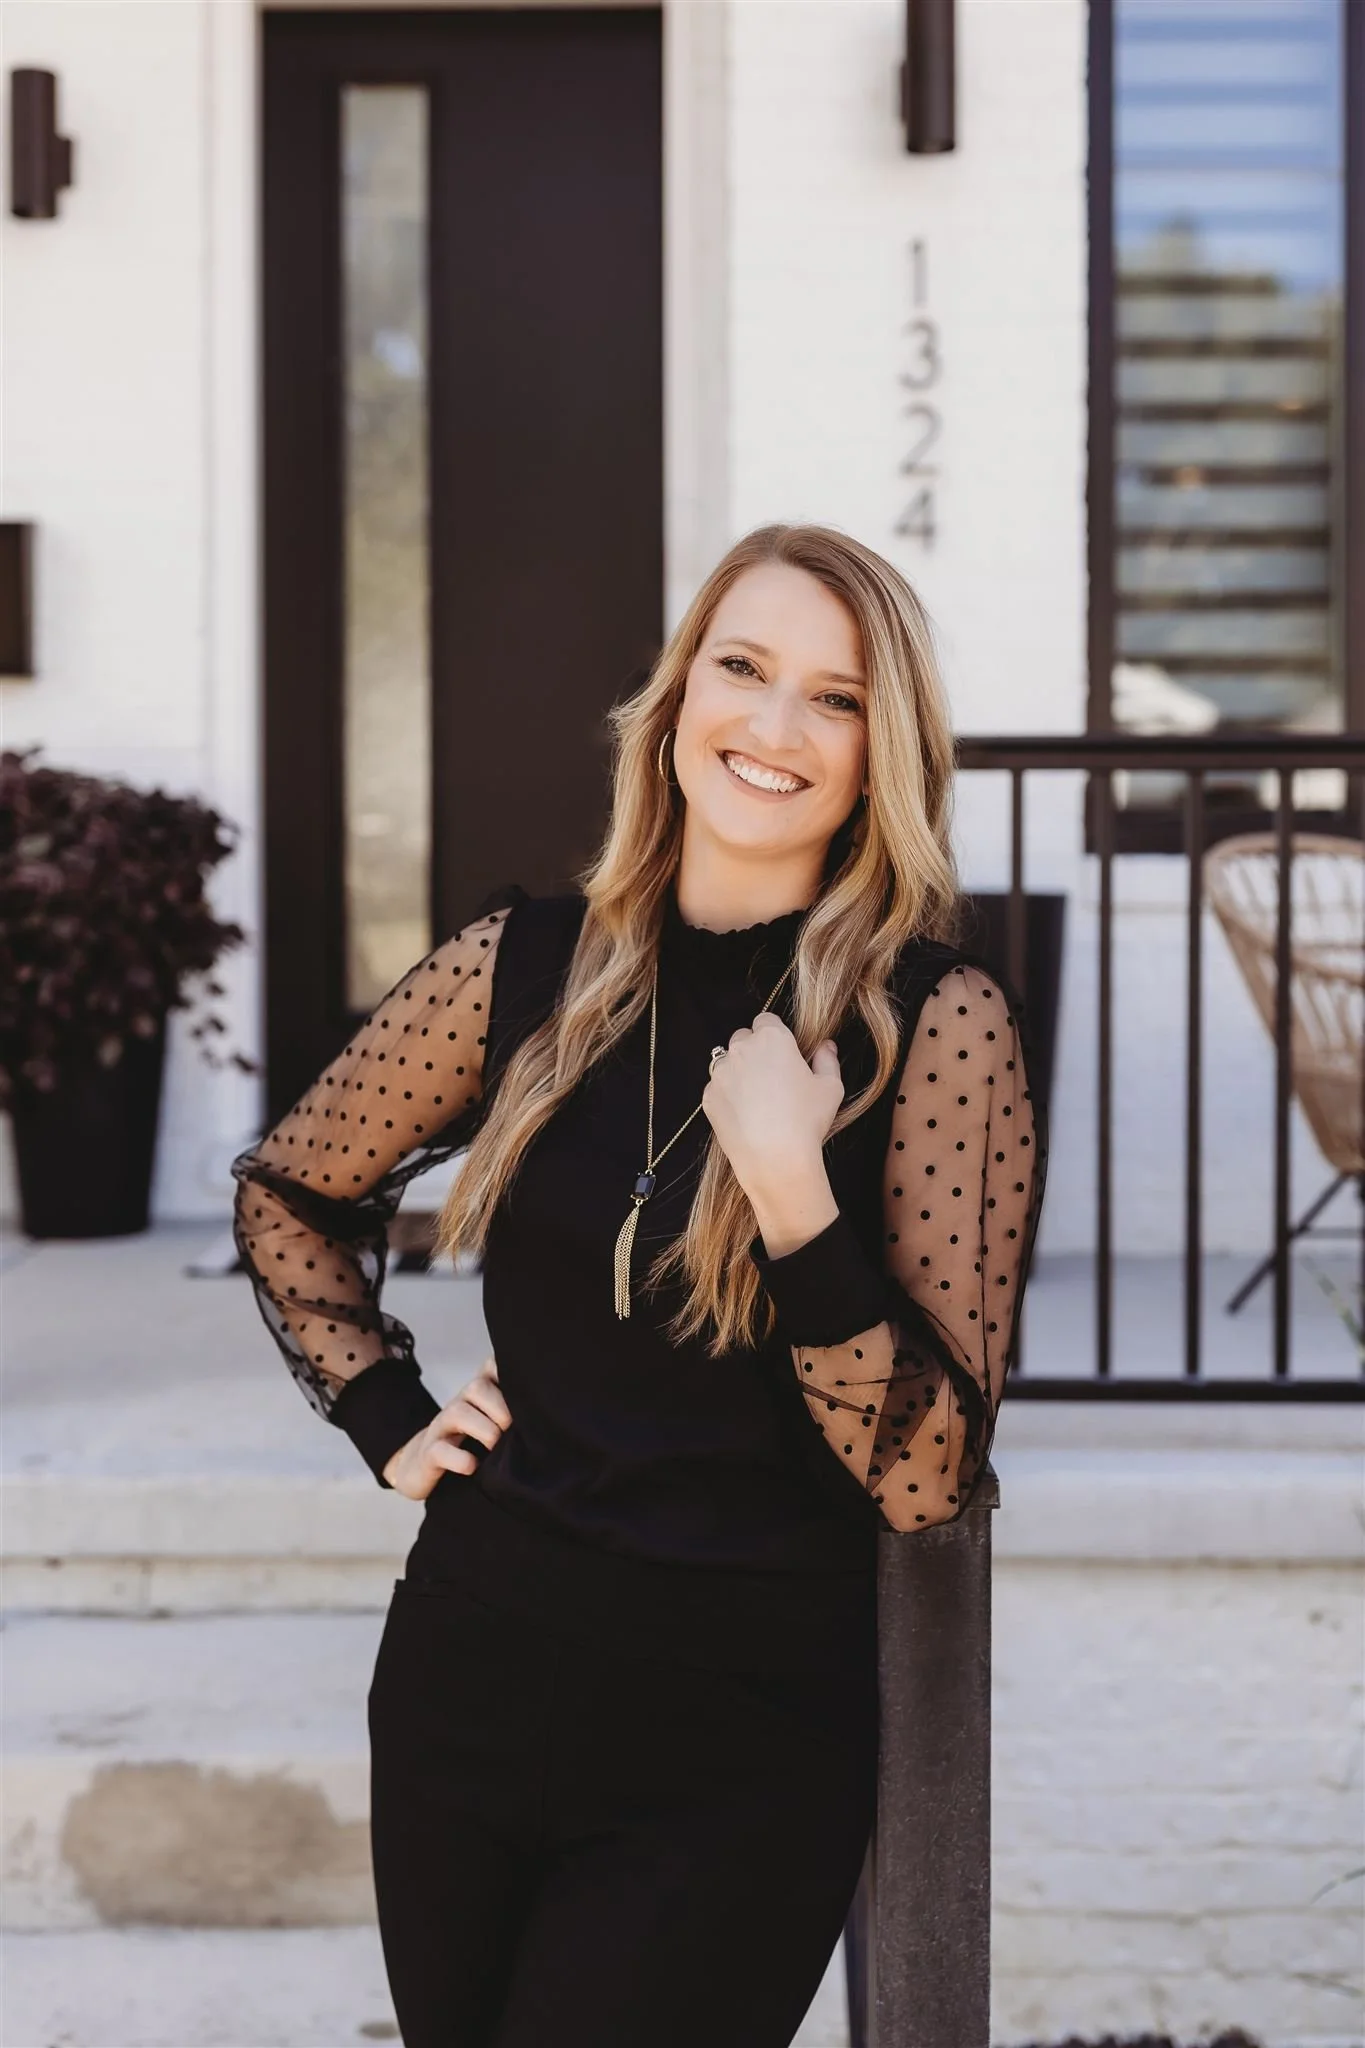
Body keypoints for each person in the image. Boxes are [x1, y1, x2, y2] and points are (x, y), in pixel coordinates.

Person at [231, 522, 1048, 2048]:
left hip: (738, 1735)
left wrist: (796, 1193)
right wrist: (388, 1410)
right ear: (675, 702)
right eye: (743, 669)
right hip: (470, 1673)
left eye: (838, 697)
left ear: (885, 749)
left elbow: (931, 1472)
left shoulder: (935, 1028)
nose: (775, 726)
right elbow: (287, 1192)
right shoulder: (522, 966)